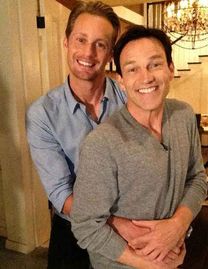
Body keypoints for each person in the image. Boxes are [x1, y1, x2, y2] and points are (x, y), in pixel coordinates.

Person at [71, 25, 208, 269]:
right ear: (121, 81)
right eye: (133, 69)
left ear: (170, 69)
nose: (146, 77)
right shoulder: (102, 143)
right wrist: (152, 265)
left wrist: (178, 226)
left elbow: (196, 177)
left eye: (154, 64)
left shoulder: (184, 115)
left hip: (173, 252)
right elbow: (86, 226)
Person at [26, 1, 126, 268]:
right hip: (73, 233)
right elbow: (61, 193)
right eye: (81, 40)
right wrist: (122, 225)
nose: (88, 52)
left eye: (100, 44)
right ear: (66, 42)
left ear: (110, 53)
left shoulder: (131, 100)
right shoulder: (42, 114)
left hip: (132, 225)